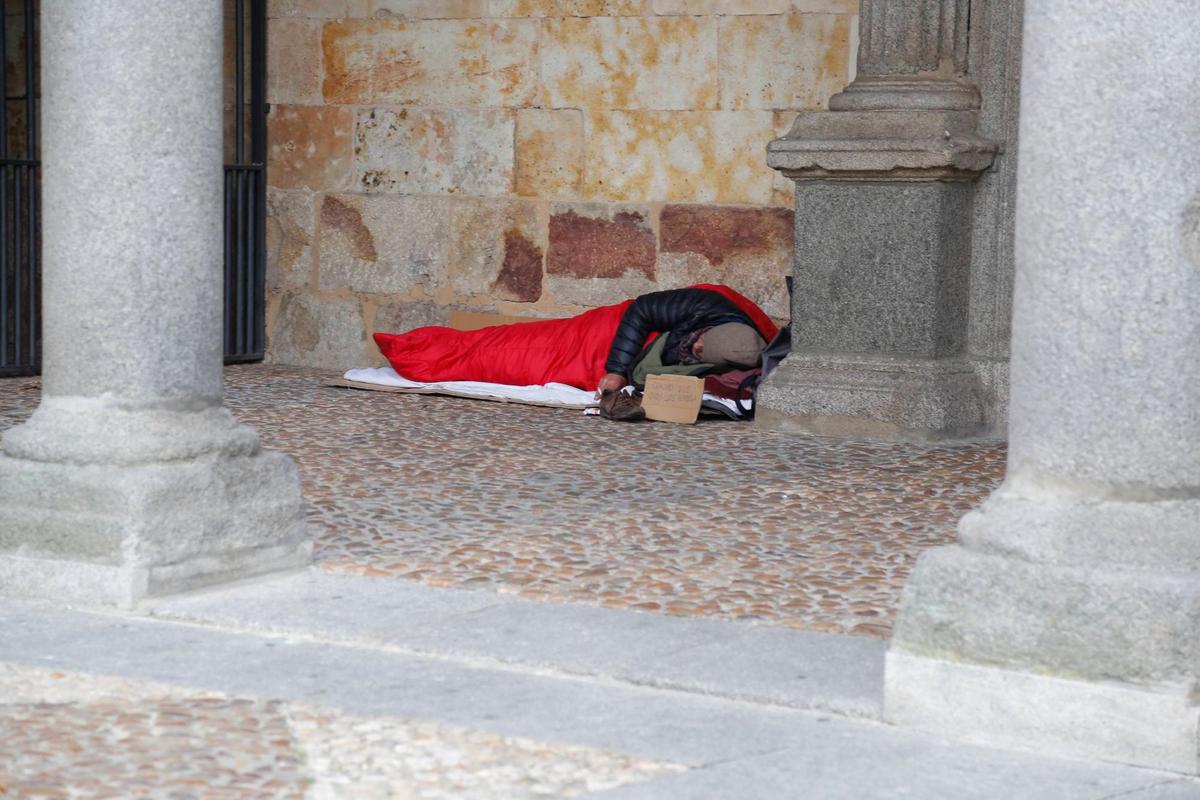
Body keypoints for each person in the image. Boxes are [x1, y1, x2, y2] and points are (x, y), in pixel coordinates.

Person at [596, 287, 769, 395]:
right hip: (622, 323)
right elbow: (641, 309)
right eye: (697, 350)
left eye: (699, 357)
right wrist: (617, 371)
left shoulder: (743, 353)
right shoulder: (703, 305)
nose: (695, 349)